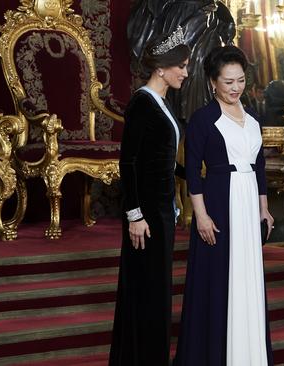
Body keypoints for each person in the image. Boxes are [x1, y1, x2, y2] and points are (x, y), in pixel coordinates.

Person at [174, 45, 274, 366]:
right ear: (213, 83)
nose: (235, 88)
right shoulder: (203, 120)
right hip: (218, 203)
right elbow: (192, 172)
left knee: (248, 280)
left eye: (240, 80)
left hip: (249, 206)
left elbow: (258, 168)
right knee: (216, 282)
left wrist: (264, 208)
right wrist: (200, 216)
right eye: (228, 82)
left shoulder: (254, 119)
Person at [108, 27, 190, 366]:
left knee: (157, 292)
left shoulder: (161, 102)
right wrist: (135, 215)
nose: (186, 72)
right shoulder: (143, 103)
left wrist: (200, 177)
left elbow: (163, 162)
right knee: (148, 292)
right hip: (148, 217)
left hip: (161, 212)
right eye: (181, 66)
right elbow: (129, 163)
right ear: (161, 68)